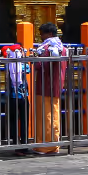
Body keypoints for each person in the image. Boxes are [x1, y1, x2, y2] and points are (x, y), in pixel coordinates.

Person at [32, 22, 67, 156]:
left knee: (46, 116)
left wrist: (36, 58)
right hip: (57, 86)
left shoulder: (47, 48)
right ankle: (54, 145)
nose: (41, 36)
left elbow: (40, 66)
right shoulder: (62, 47)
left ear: (50, 34)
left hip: (45, 86)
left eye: (42, 33)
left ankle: (45, 146)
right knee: (54, 115)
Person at [0, 44, 33, 157]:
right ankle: (23, 145)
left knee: (14, 121)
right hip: (23, 96)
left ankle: (16, 145)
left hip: (12, 96)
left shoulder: (8, 63)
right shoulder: (23, 65)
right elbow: (28, 69)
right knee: (23, 121)